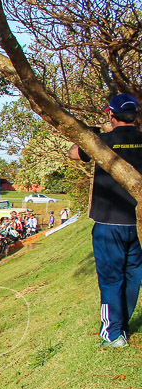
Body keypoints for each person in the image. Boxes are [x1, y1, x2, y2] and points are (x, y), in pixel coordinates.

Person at [69, 92, 142, 347]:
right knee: (133, 275)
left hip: (108, 223)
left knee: (111, 278)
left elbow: (74, 153)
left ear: (110, 115)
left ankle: (113, 333)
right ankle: (124, 323)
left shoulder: (101, 143)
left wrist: (91, 132)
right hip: (138, 222)